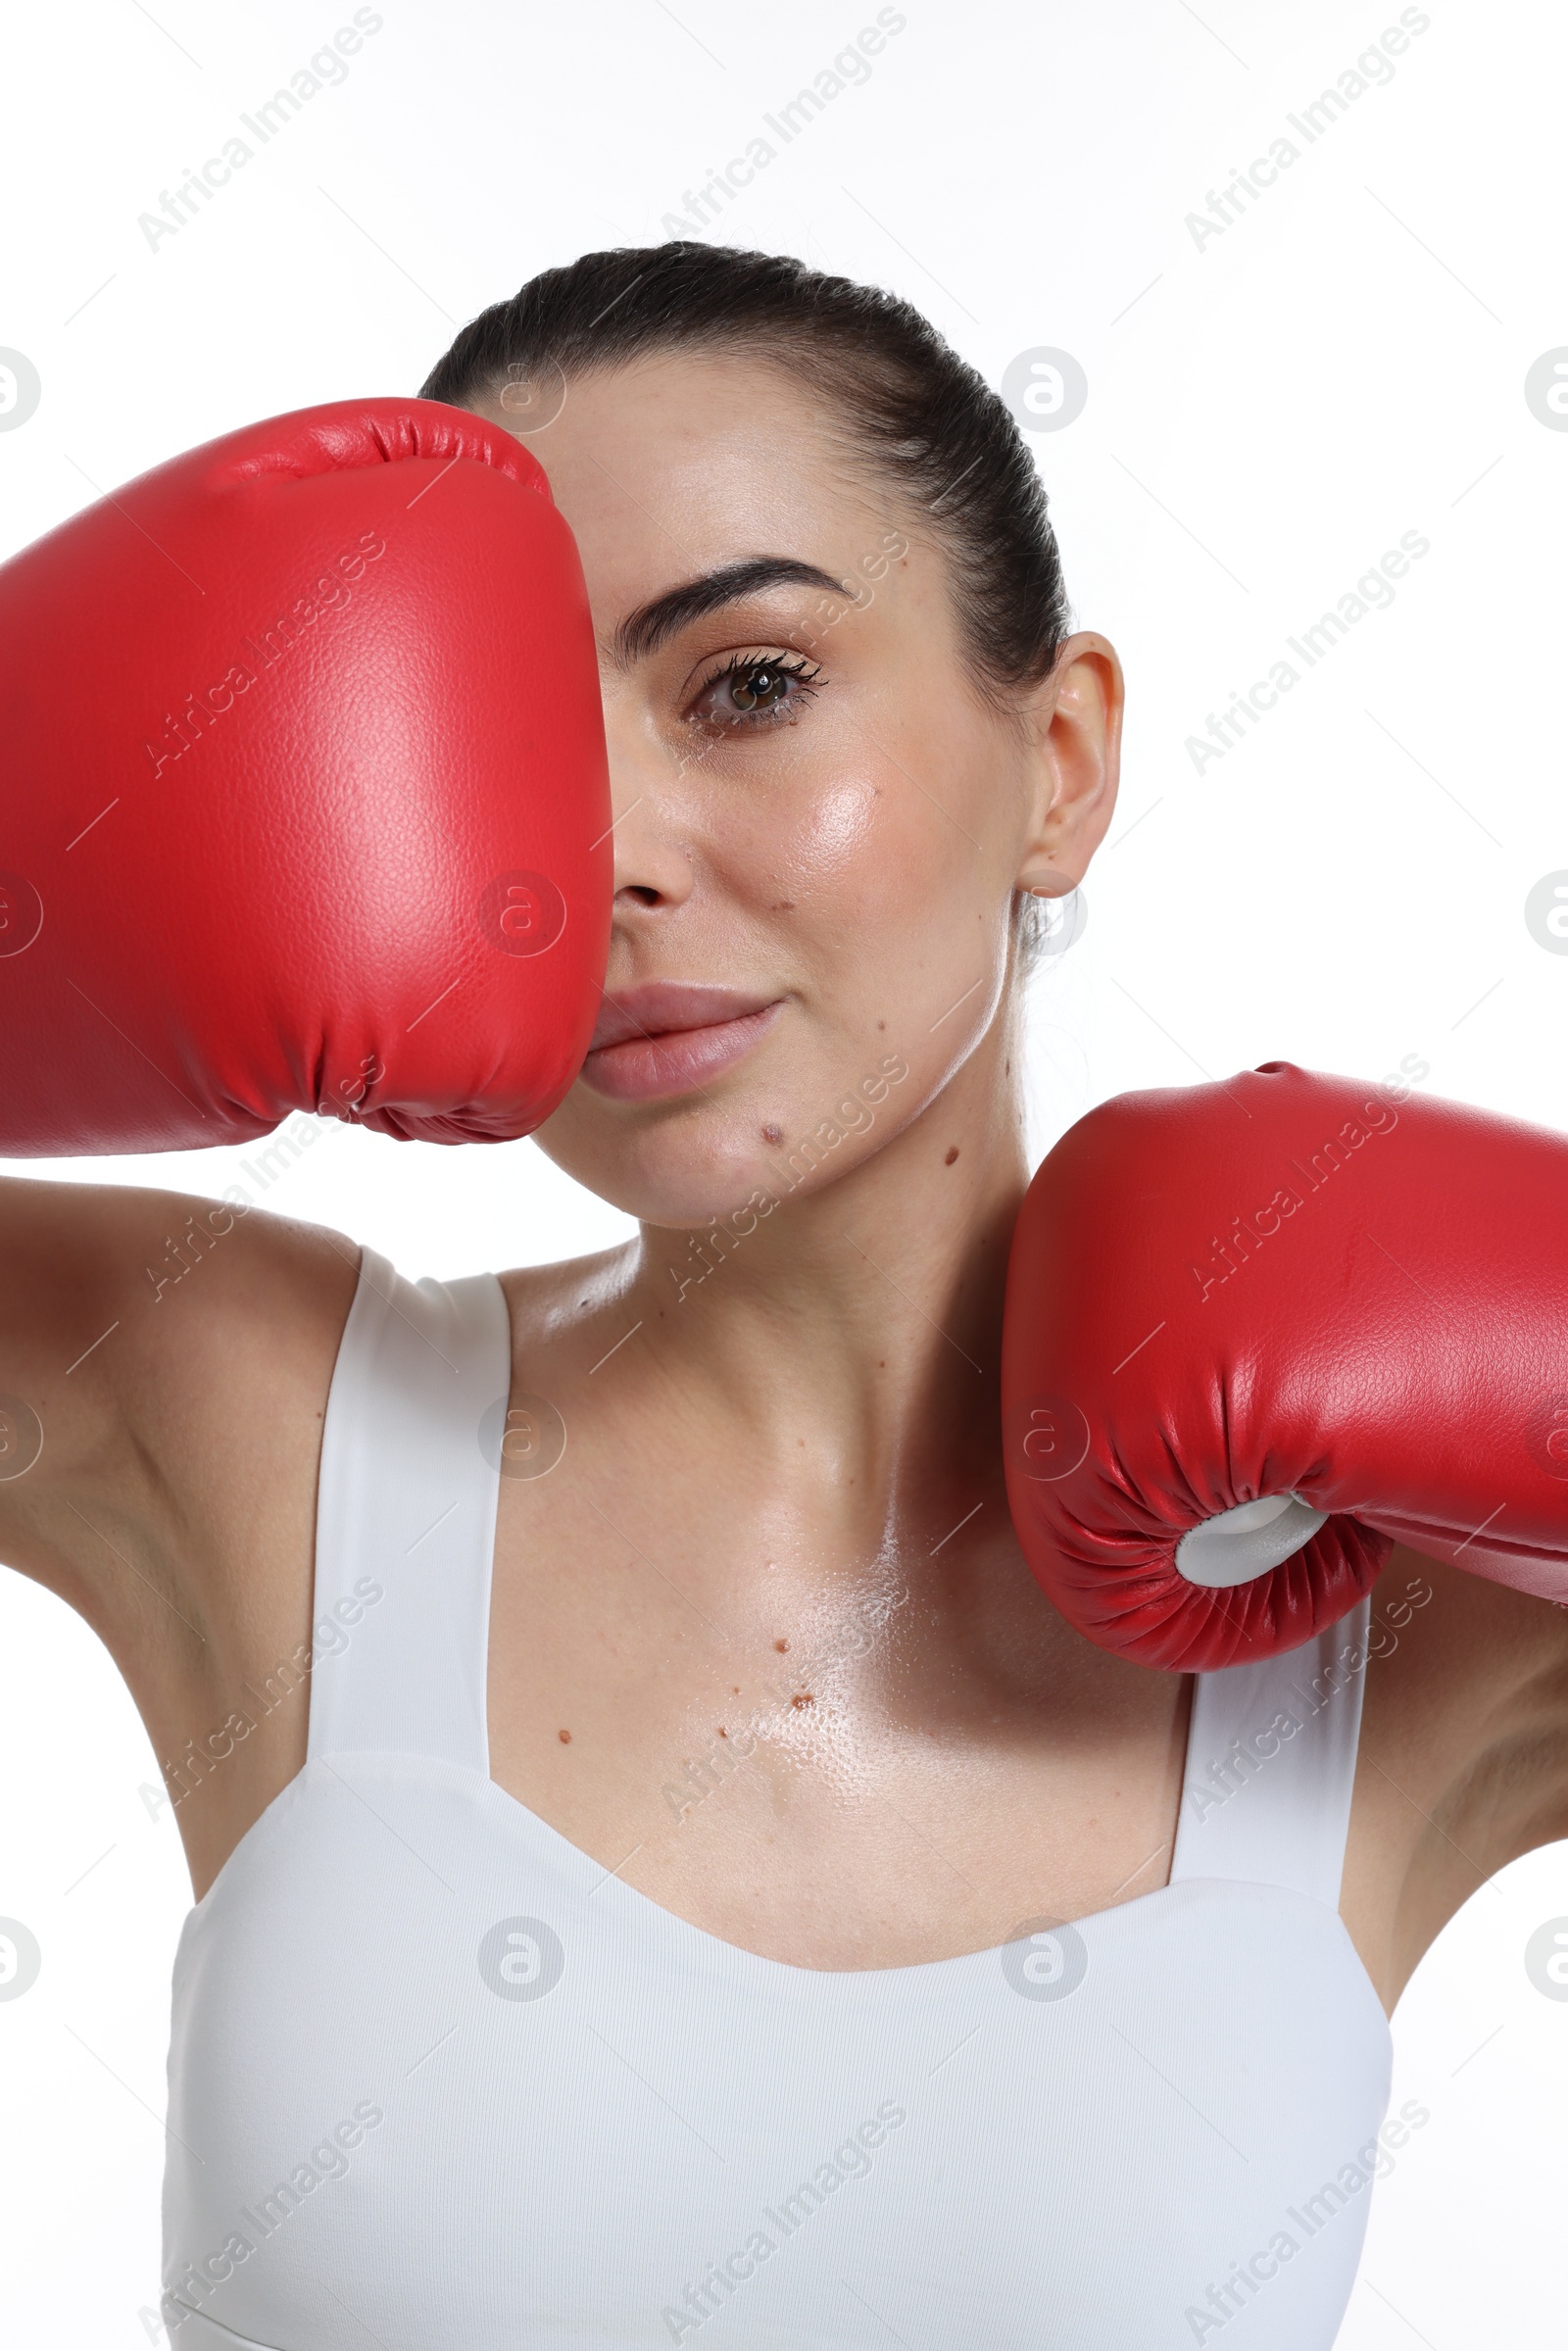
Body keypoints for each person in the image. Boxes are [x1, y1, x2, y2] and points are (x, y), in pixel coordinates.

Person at [3, 241, 1565, 2351]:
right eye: (500, 746)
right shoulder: (247, 1416)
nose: (610, 851)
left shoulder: (1389, 1602)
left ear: (1061, 759)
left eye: (744, 684)